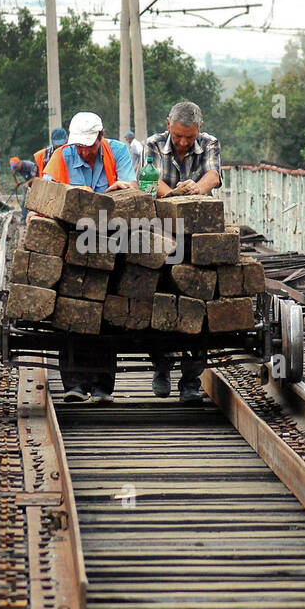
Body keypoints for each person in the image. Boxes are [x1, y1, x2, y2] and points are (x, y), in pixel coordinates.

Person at [42, 112, 137, 403]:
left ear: (101, 136)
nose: (84, 151)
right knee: (70, 311)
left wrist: (122, 188)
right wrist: (73, 192)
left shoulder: (117, 151)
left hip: (110, 244)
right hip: (71, 245)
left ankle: (102, 387)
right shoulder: (62, 156)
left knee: (105, 314)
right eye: (80, 146)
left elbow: (133, 187)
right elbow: (45, 192)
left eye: (89, 145)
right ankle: (74, 384)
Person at [144, 100, 222, 403]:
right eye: (178, 136)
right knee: (158, 295)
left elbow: (213, 176)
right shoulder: (152, 144)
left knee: (200, 301)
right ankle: (161, 366)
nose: (183, 142)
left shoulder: (209, 143)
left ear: (198, 130)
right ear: (168, 126)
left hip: (198, 236)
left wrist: (196, 190)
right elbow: (149, 182)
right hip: (160, 235)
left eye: (189, 137)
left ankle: (191, 380)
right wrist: (173, 194)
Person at [9, 155, 38, 220]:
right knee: (24, 201)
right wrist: (16, 182)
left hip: (37, 183)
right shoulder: (15, 168)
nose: (15, 169)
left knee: (35, 202)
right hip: (27, 183)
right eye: (14, 168)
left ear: (19, 163)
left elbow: (35, 177)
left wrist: (27, 183)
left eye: (16, 167)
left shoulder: (29, 165)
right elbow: (13, 174)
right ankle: (24, 218)